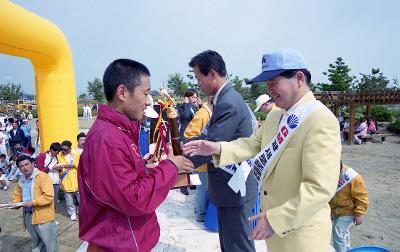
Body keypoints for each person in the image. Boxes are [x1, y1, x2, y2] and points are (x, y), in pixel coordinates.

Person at [184, 49, 341, 252]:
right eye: (267, 84)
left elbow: (319, 188)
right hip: (274, 232)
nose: (270, 90)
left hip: (301, 234)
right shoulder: (276, 115)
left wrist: (276, 220)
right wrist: (217, 147)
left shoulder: (320, 120)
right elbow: (252, 144)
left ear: (299, 78)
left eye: (273, 82)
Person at [78, 59, 194, 251]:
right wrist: (170, 166)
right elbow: (133, 197)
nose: (149, 101)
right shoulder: (108, 139)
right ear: (123, 92)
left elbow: (119, 182)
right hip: (118, 242)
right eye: (146, 93)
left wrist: (145, 169)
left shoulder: (119, 131)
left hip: (126, 238)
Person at [187, 50, 257, 252]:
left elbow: (212, 144)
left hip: (235, 188)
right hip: (230, 188)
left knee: (238, 246)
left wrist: (176, 165)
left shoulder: (228, 102)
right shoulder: (224, 98)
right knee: (229, 243)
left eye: (198, 77)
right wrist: (185, 147)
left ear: (212, 74)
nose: (198, 83)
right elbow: (209, 139)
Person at [11, 155, 57, 252]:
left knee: (50, 245)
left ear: (32, 164)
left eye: (27, 164)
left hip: (43, 217)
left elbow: (48, 197)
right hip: (29, 216)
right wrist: (15, 204)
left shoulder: (43, 177)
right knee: (37, 243)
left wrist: (33, 203)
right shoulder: (21, 180)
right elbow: (17, 196)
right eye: (21, 166)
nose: (25, 167)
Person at [184, 98, 212, 222]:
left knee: (202, 186)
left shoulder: (207, 113)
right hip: (200, 158)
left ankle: (198, 210)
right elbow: (189, 134)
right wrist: (203, 142)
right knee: (202, 187)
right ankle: (200, 214)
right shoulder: (203, 114)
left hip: (203, 157)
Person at [329, 161, 368, 252]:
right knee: (343, 232)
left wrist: (359, 213)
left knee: (338, 230)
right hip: (337, 210)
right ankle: (347, 249)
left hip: (349, 211)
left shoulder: (354, 178)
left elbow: (362, 197)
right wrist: (330, 211)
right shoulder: (328, 174)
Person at [178, 89, 200, 195]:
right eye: (193, 97)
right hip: (184, 136)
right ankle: (183, 186)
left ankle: (192, 183)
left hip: (193, 136)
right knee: (185, 161)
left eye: (196, 97)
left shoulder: (195, 108)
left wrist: (199, 105)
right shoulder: (182, 107)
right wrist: (186, 104)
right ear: (187, 97)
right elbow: (186, 116)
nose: (195, 99)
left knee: (193, 160)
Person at [58, 140, 80, 221]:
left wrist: (73, 165)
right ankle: (72, 213)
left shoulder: (76, 154)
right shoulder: (59, 155)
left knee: (81, 199)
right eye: (62, 149)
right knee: (69, 200)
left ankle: (81, 211)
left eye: (66, 149)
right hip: (65, 179)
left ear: (70, 149)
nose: (63, 151)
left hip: (76, 179)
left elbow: (81, 164)